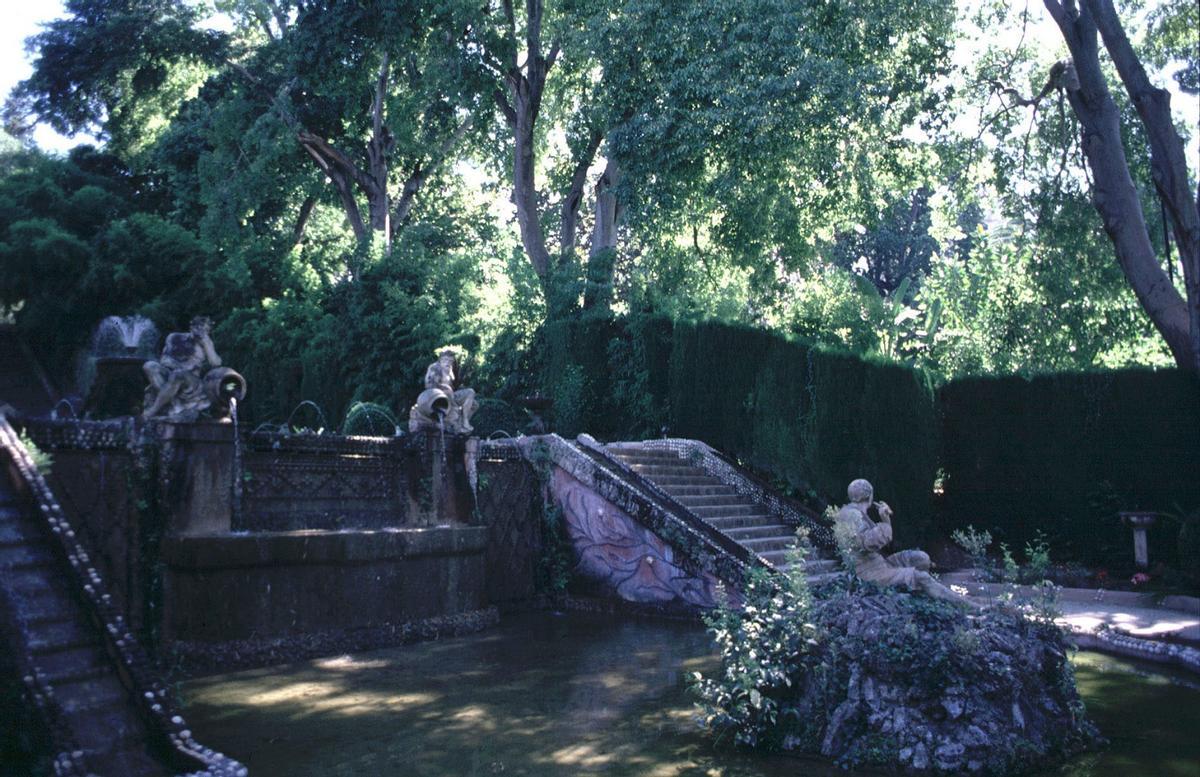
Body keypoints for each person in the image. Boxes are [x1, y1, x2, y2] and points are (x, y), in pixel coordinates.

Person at [835, 478, 979, 607]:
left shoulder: (854, 512)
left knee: (921, 558)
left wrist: (884, 522)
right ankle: (967, 605)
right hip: (870, 573)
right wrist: (885, 521)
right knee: (920, 576)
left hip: (879, 563)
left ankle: (922, 593)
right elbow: (868, 542)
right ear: (869, 495)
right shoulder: (851, 515)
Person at [142, 317, 221, 420]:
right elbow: (164, 359)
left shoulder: (207, 343)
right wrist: (179, 366)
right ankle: (171, 402)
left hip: (192, 381)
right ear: (191, 327)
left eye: (205, 330)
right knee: (149, 366)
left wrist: (206, 343)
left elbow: (215, 363)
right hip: (170, 372)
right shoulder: (175, 338)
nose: (201, 332)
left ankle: (154, 409)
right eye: (199, 328)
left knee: (179, 374)